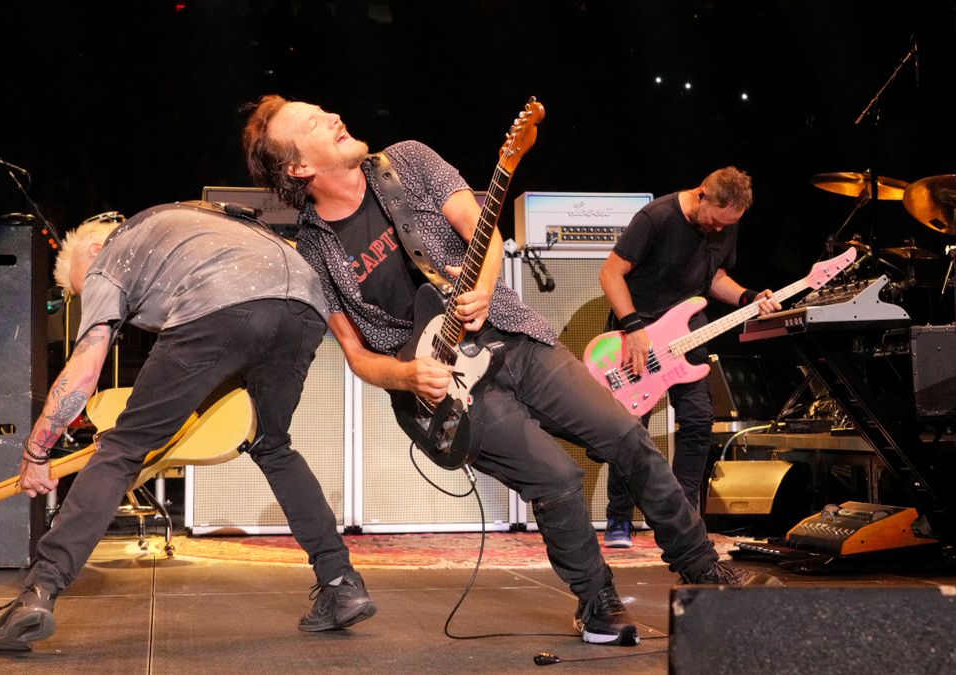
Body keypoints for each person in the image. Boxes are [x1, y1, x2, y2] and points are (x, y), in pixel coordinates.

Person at [243, 95, 780, 648]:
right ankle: (596, 600)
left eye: (324, 110)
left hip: (515, 338)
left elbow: (485, 233)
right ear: (298, 167)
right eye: (312, 122)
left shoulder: (406, 160)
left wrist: (479, 288)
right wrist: (406, 378)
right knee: (556, 479)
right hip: (447, 390)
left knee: (628, 440)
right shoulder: (312, 247)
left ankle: (701, 568)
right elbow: (356, 354)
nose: (332, 116)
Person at [0, 201, 376, 652]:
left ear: (92, 249)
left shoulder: (109, 258)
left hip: (220, 303)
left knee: (122, 448)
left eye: (81, 288)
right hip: (304, 305)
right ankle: (342, 582)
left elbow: (86, 366)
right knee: (273, 445)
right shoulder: (184, 219)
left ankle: (39, 591)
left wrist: (36, 453)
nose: (97, 302)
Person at [599, 167, 780, 548]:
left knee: (698, 423)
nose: (718, 229)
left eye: (727, 224)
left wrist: (750, 298)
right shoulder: (656, 218)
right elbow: (611, 274)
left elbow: (714, 278)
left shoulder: (726, 222)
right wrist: (633, 328)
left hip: (689, 334)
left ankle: (682, 521)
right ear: (702, 195)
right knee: (630, 429)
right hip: (640, 334)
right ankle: (619, 517)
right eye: (715, 221)